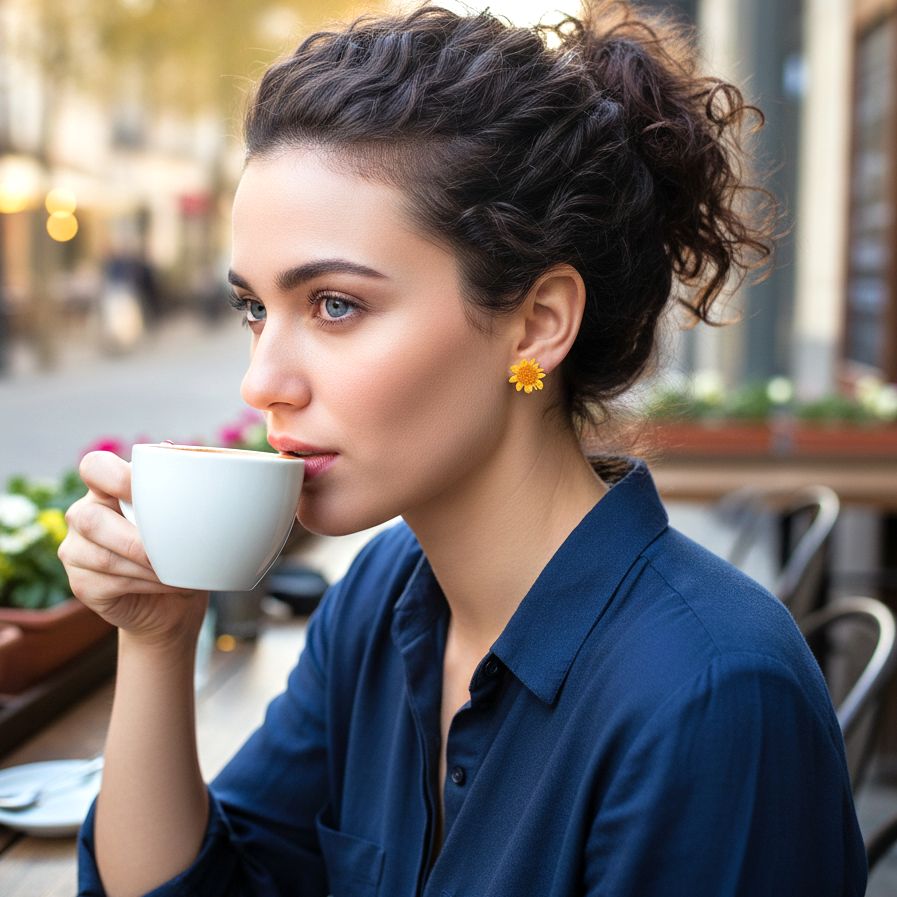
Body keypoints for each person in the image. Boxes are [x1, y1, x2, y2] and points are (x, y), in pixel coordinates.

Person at [61, 3, 867, 895]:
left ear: (536, 323)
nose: (261, 382)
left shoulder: (710, 696)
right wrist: (157, 638)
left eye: (335, 305)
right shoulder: (384, 599)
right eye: (254, 308)